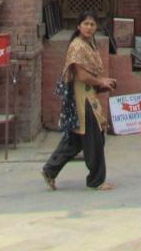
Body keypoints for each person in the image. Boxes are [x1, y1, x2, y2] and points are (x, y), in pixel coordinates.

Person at [42, 10, 117, 190]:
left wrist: (102, 83)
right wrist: (101, 81)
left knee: (76, 139)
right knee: (94, 138)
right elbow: (82, 76)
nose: (89, 27)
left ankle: (50, 170)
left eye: (92, 24)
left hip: (88, 95)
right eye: (86, 24)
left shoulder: (89, 44)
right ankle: (96, 180)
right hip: (82, 98)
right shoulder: (77, 46)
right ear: (79, 26)